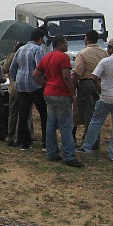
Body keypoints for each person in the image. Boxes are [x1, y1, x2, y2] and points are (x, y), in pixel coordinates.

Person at [33, 35, 81, 167]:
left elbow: (35, 75)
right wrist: (72, 92)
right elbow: (66, 76)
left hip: (49, 92)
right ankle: (69, 156)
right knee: (66, 125)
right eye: (65, 43)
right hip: (61, 93)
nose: (67, 46)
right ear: (59, 44)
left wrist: (46, 84)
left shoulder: (46, 57)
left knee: (51, 124)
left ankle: (52, 152)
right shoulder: (63, 57)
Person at [9, 28, 47, 151]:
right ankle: (46, 142)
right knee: (43, 113)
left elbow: (12, 68)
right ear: (40, 39)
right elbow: (40, 66)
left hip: (21, 85)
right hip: (35, 84)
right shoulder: (38, 49)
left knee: (23, 114)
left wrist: (15, 80)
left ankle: (24, 143)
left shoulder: (20, 49)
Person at [72, 30, 107, 147]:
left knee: (88, 115)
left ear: (86, 38)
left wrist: (72, 88)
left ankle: (90, 142)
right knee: (97, 114)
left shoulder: (82, 53)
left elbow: (78, 72)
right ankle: (94, 139)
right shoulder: (104, 53)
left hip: (86, 83)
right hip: (100, 85)